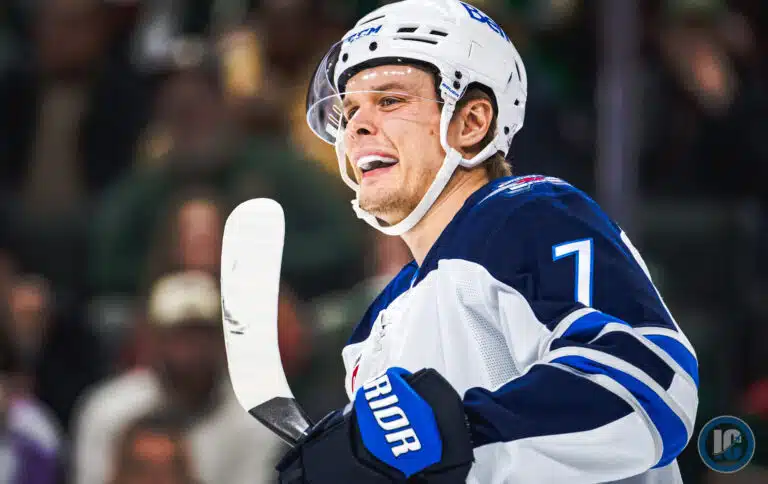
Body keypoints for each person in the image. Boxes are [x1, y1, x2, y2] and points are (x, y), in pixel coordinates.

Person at [275, 1, 699, 483]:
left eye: (389, 101)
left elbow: (650, 384)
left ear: (471, 122)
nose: (356, 127)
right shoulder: (377, 325)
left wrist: (453, 438)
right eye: (350, 110)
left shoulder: (530, 215)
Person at [73, 270, 282, 484]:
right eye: (178, 335)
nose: (191, 351)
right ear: (152, 340)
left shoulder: (255, 421)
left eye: (202, 335)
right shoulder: (107, 409)